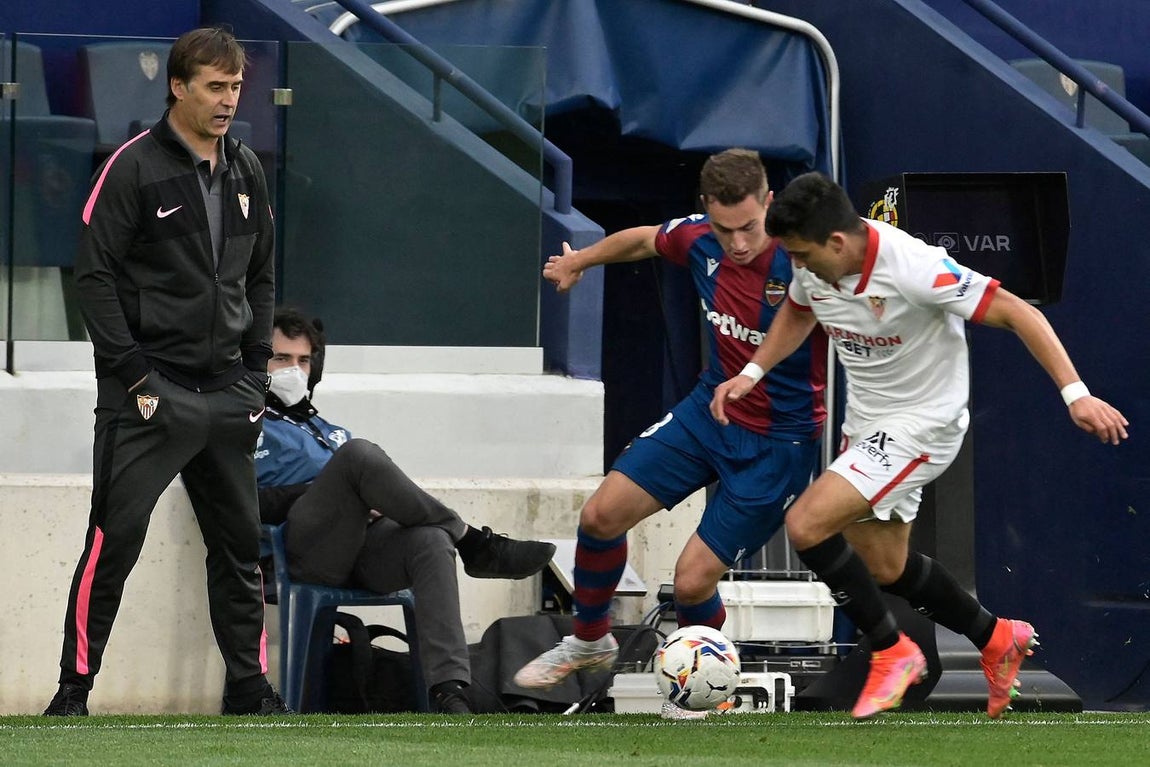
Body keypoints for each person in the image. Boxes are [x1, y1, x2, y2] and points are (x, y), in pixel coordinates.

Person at [711, 171, 1129, 719]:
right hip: (868, 422)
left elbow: (1019, 312)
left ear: (837, 241)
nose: (800, 267)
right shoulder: (812, 263)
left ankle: (893, 653)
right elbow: (799, 307)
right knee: (884, 565)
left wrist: (1076, 395)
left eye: (805, 255)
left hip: (923, 423)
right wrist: (754, 369)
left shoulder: (915, 268)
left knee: (807, 524)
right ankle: (996, 637)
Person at [512, 149, 828, 719]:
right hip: (708, 413)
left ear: (771, 204)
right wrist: (581, 259)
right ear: (707, 211)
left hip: (777, 445)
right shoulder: (697, 239)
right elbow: (642, 240)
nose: (737, 244)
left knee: (690, 583)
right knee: (600, 516)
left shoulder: (804, 259)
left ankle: (711, 695)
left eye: (750, 227)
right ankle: (590, 641)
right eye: (725, 228)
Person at [43, 27, 284, 717]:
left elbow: (262, 276)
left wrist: (257, 373)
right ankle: (73, 690)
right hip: (148, 396)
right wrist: (136, 379)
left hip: (227, 394)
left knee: (240, 550)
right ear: (178, 87)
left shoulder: (247, 170)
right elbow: (92, 281)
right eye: (216, 86)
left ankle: (248, 689)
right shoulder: (131, 168)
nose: (230, 100)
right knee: (111, 542)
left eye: (237, 86)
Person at [257, 307, 557, 714]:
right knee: (360, 455)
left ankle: (449, 692)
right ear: (260, 361)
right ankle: (474, 542)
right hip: (303, 552)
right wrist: (335, 491)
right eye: (282, 358)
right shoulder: (248, 424)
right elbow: (247, 501)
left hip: (365, 549)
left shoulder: (329, 429)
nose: (295, 369)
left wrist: (364, 499)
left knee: (430, 540)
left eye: (304, 360)